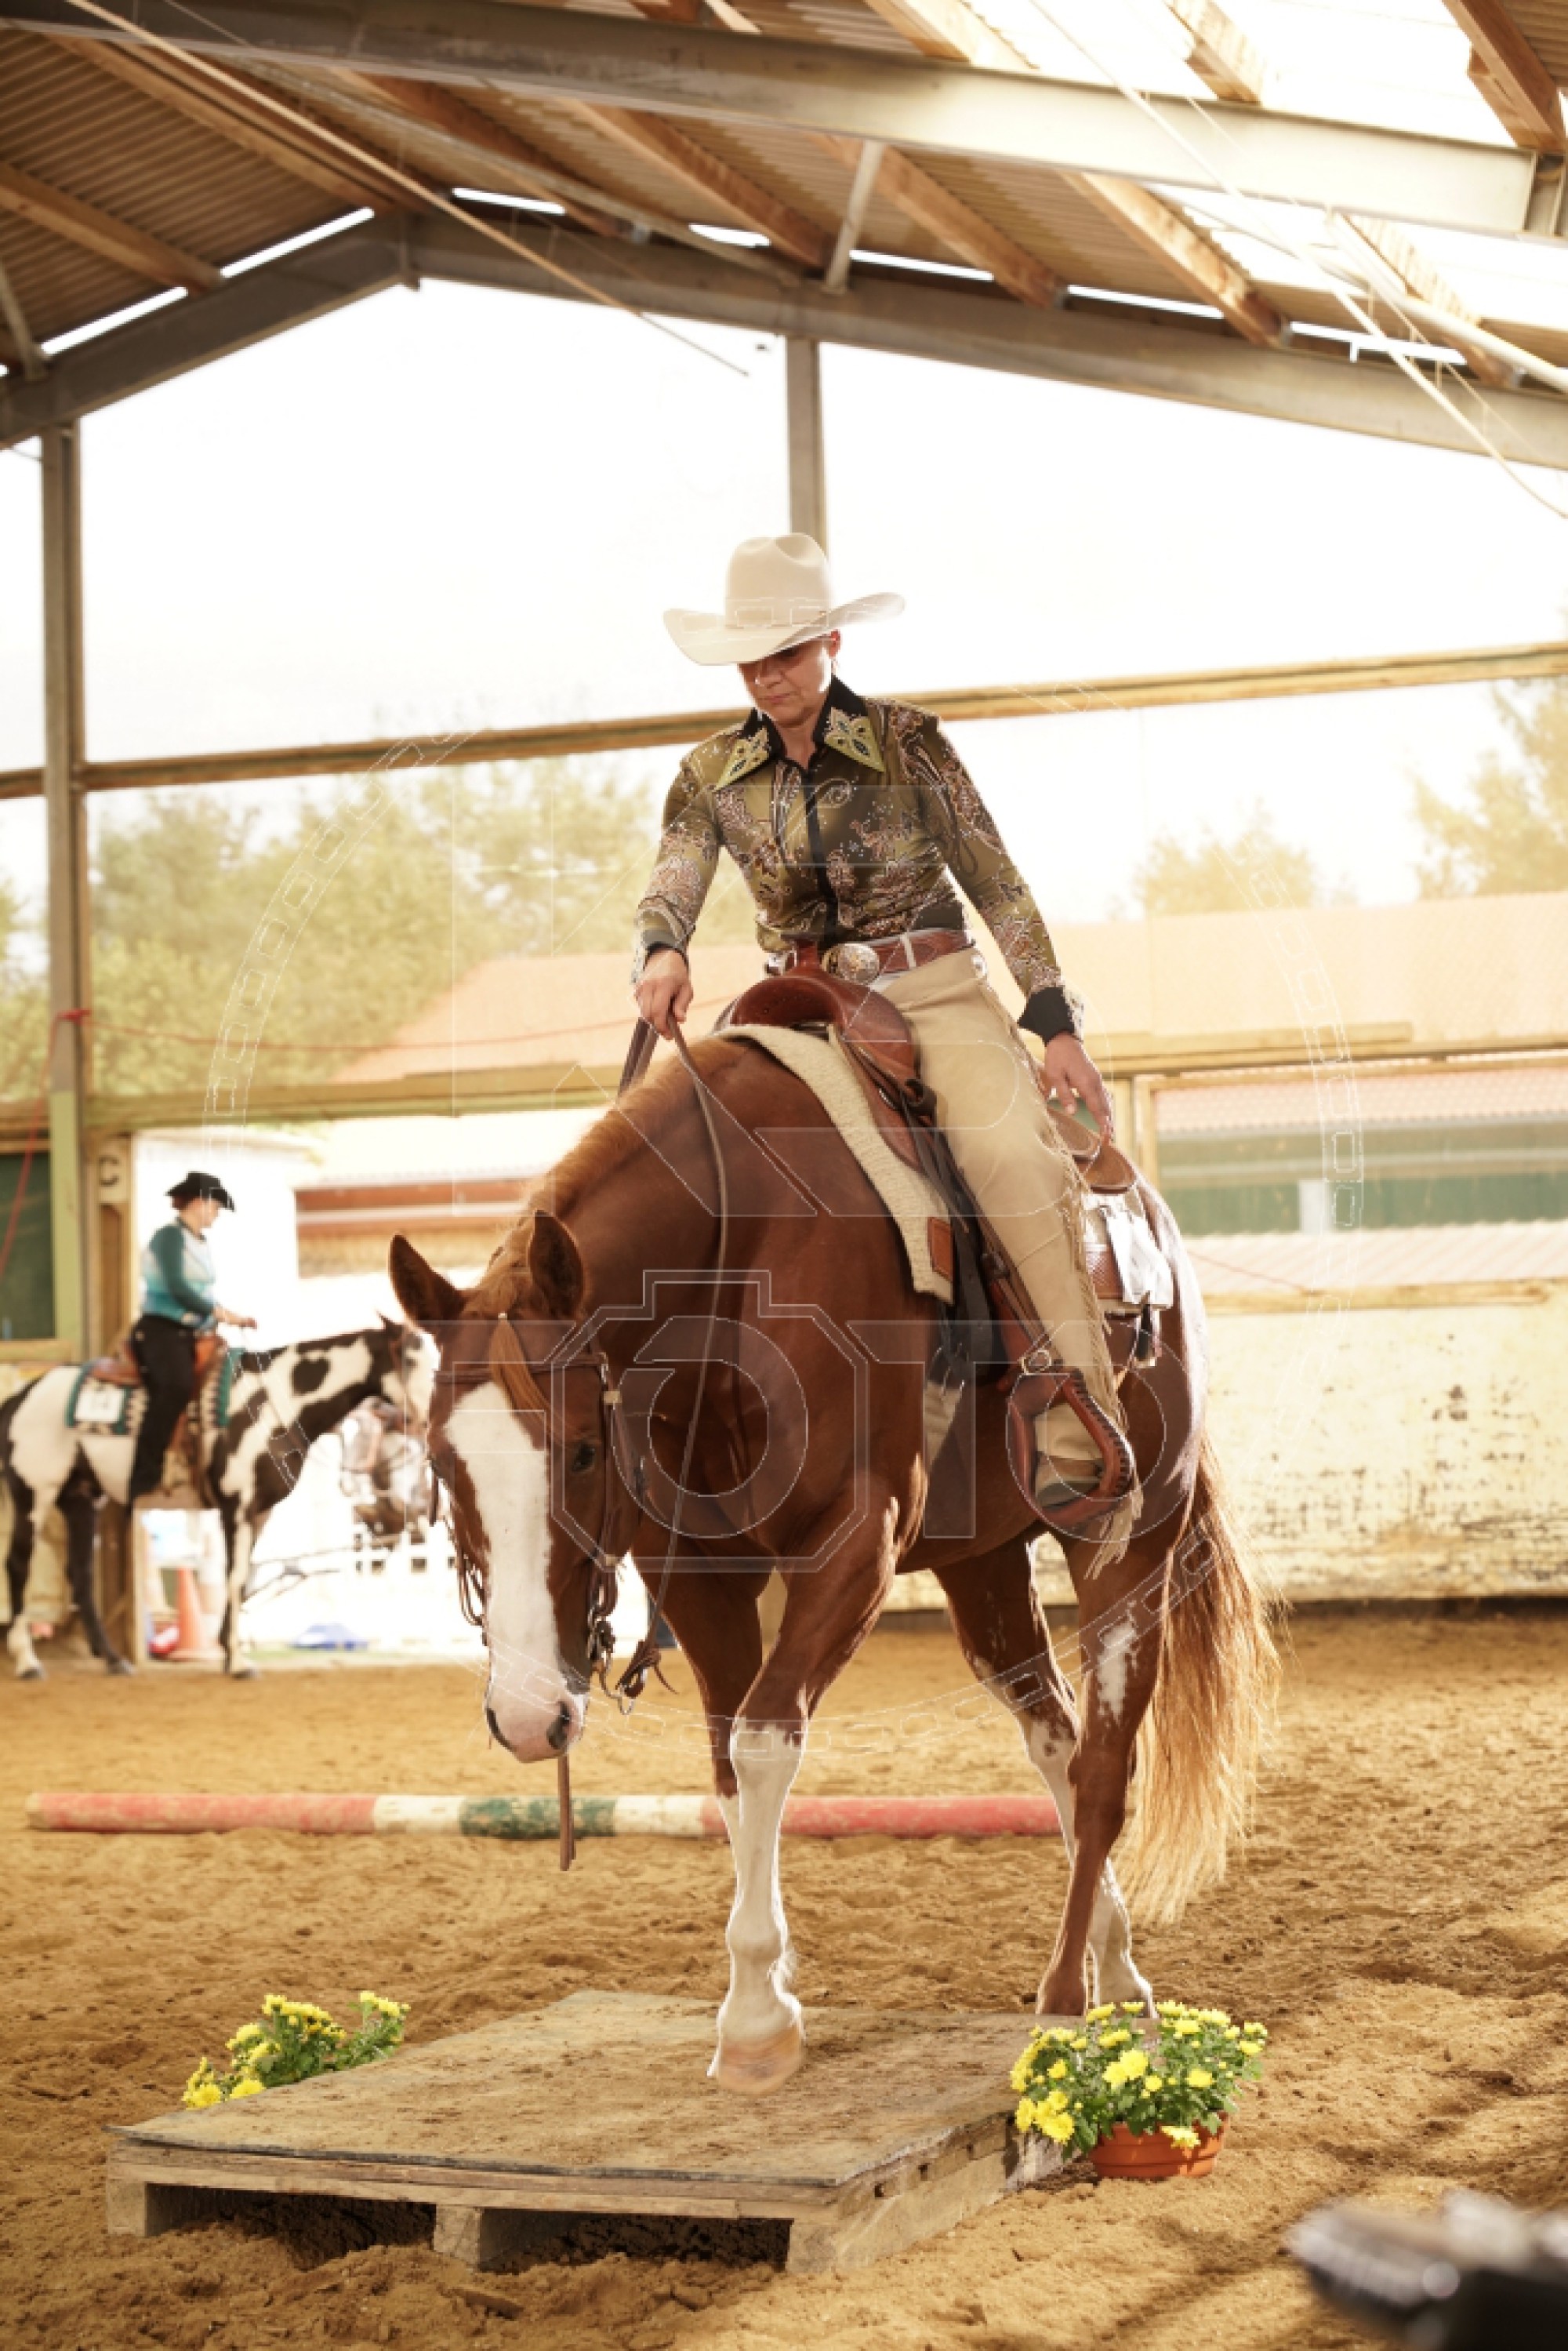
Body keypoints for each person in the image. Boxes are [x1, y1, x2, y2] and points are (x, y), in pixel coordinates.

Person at [635, 533, 1131, 1538]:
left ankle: (1080, 1431)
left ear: (830, 642)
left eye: (785, 651)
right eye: (749, 658)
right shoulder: (709, 774)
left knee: (1011, 1158)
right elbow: (676, 871)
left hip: (932, 988)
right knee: (711, 1172)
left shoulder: (911, 744)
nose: (766, 674)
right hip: (797, 1005)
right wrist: (662, 947)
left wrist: (1053, 1023)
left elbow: (996, 882)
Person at [126, 1171, 255, 1510]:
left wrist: (219, 1318)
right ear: (198, 1202)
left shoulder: (198, 1242)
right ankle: (144, 1477)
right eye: (215, 1206)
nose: (217, 1213)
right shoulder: (169, 1237)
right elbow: (178, 1288)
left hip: (190, 1332)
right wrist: (224, 1315)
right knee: (175, 1387)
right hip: (161, 1330)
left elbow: (199, 1293)